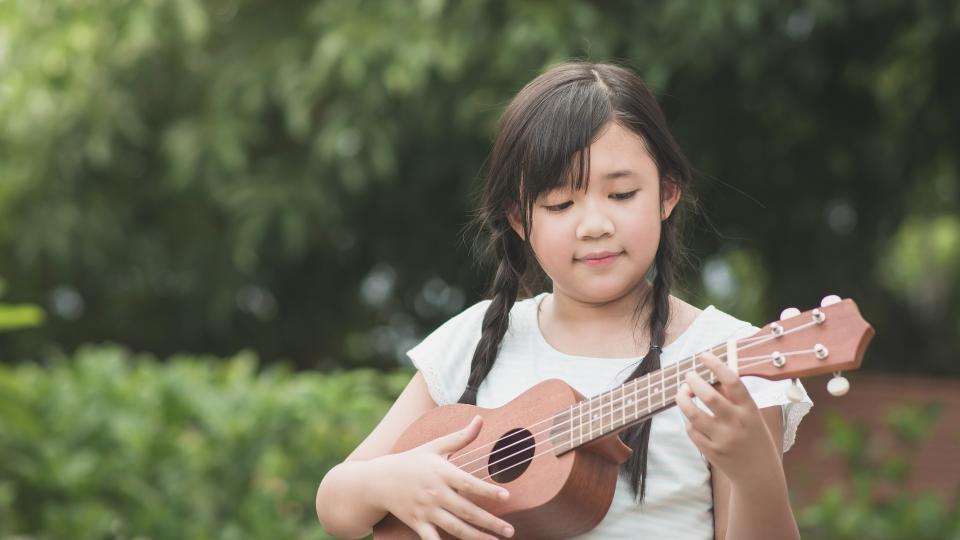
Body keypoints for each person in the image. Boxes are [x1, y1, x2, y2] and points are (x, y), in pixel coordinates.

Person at [315, 61, 813, 540]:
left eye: (621, 195)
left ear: (667, 193)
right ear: (518, 218)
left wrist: (753, 471)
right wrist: (391, 483)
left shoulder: (729, 356)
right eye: (559, 204)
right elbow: (337, 505)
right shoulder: (475, 340)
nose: (594, 224)